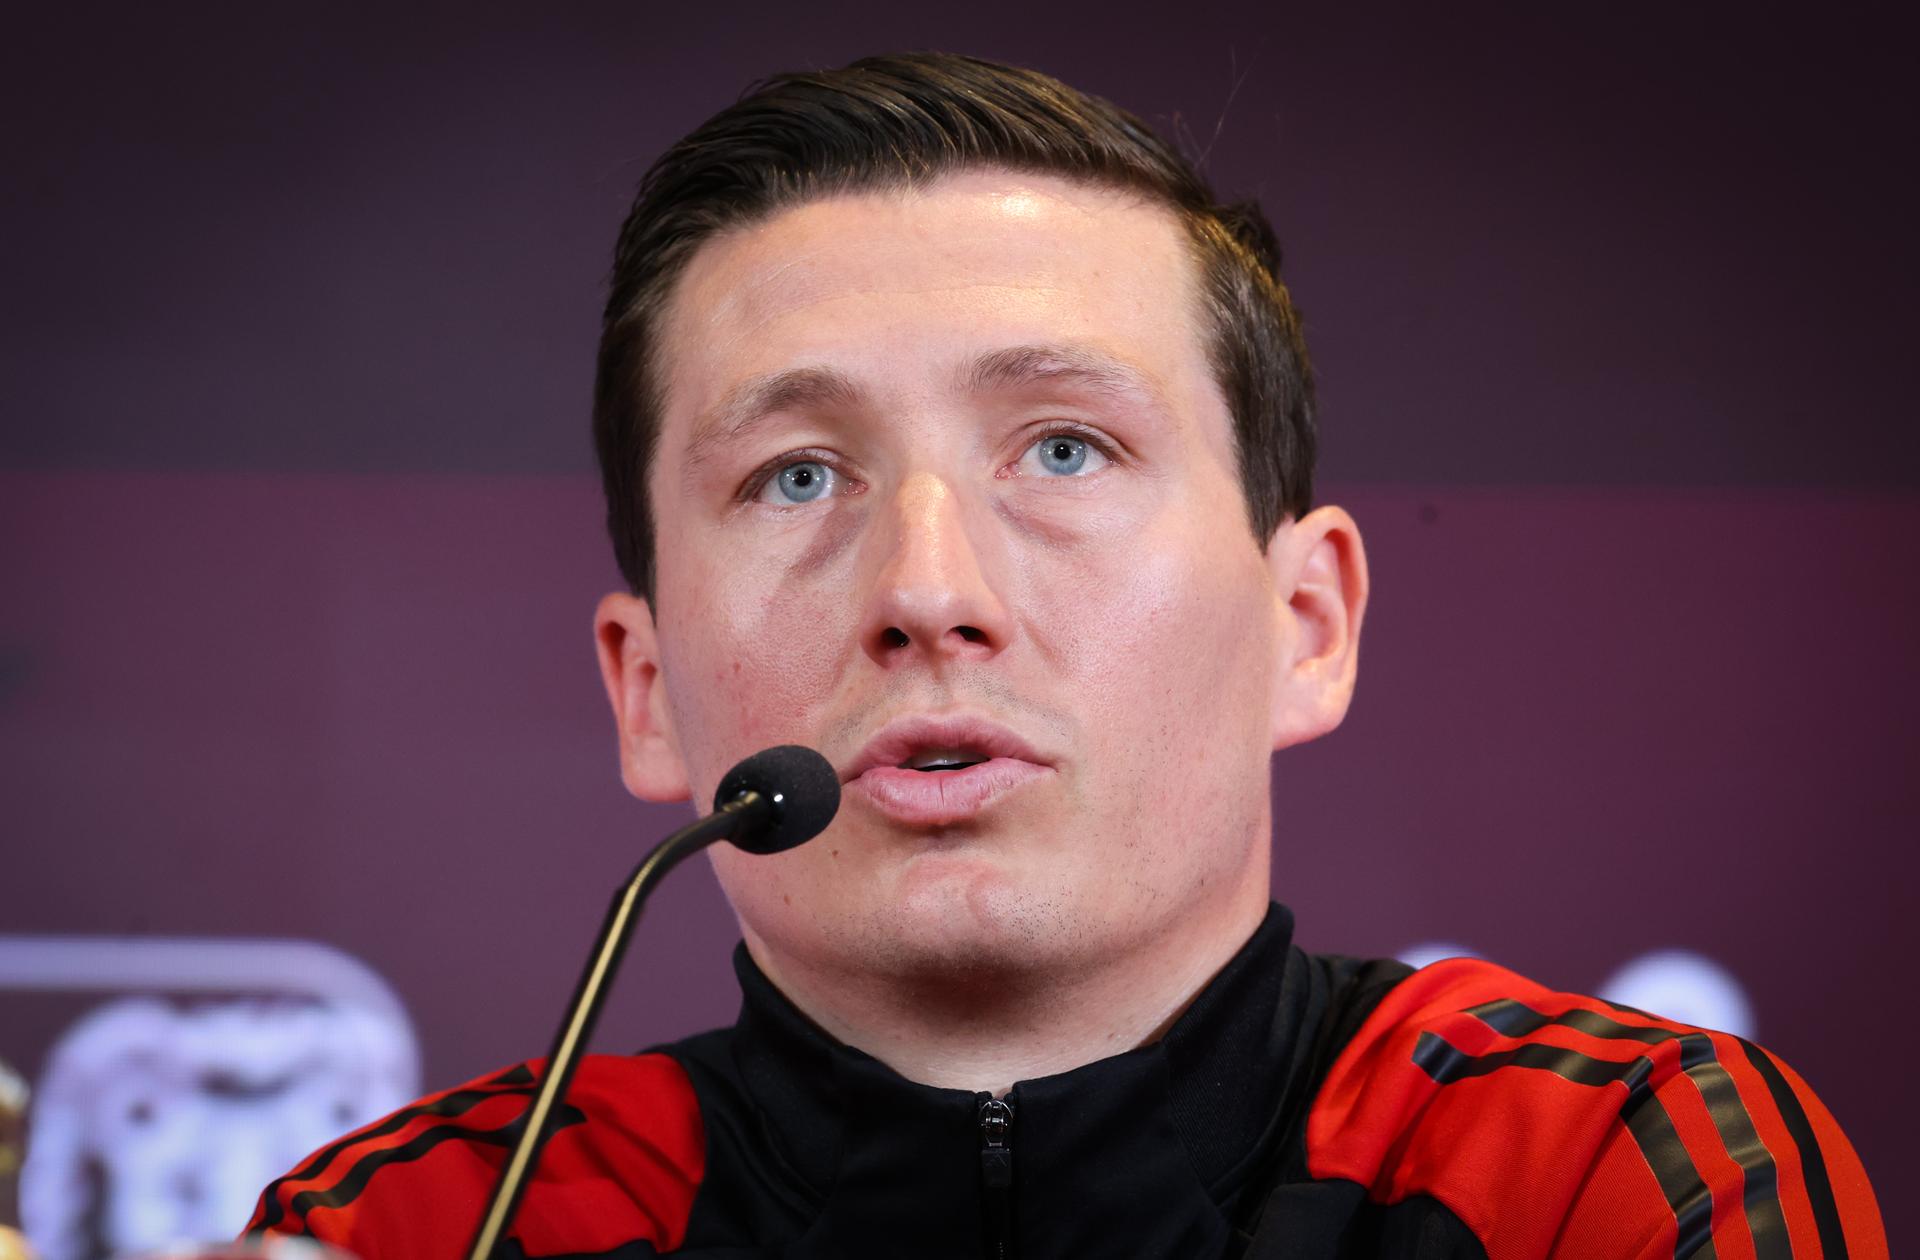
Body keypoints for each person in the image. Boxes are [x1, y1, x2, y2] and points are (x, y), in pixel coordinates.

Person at [245, 53, 1885, 1259]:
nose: (928, 592)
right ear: (648, 692)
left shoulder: (1593, 1164)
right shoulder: (418, 1227)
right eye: (798, 476)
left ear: (1308, 626)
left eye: (1066, 451)